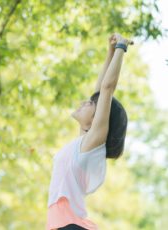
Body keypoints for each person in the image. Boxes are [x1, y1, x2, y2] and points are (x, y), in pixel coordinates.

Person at [46, 33, 134, 230]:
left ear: (98, 121)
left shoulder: (92, 142)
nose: (85, 102)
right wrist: (110, 51)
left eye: (91, 104)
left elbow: (106, 88)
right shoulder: (82, 142)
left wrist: (121, 47)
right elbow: (99, 90)